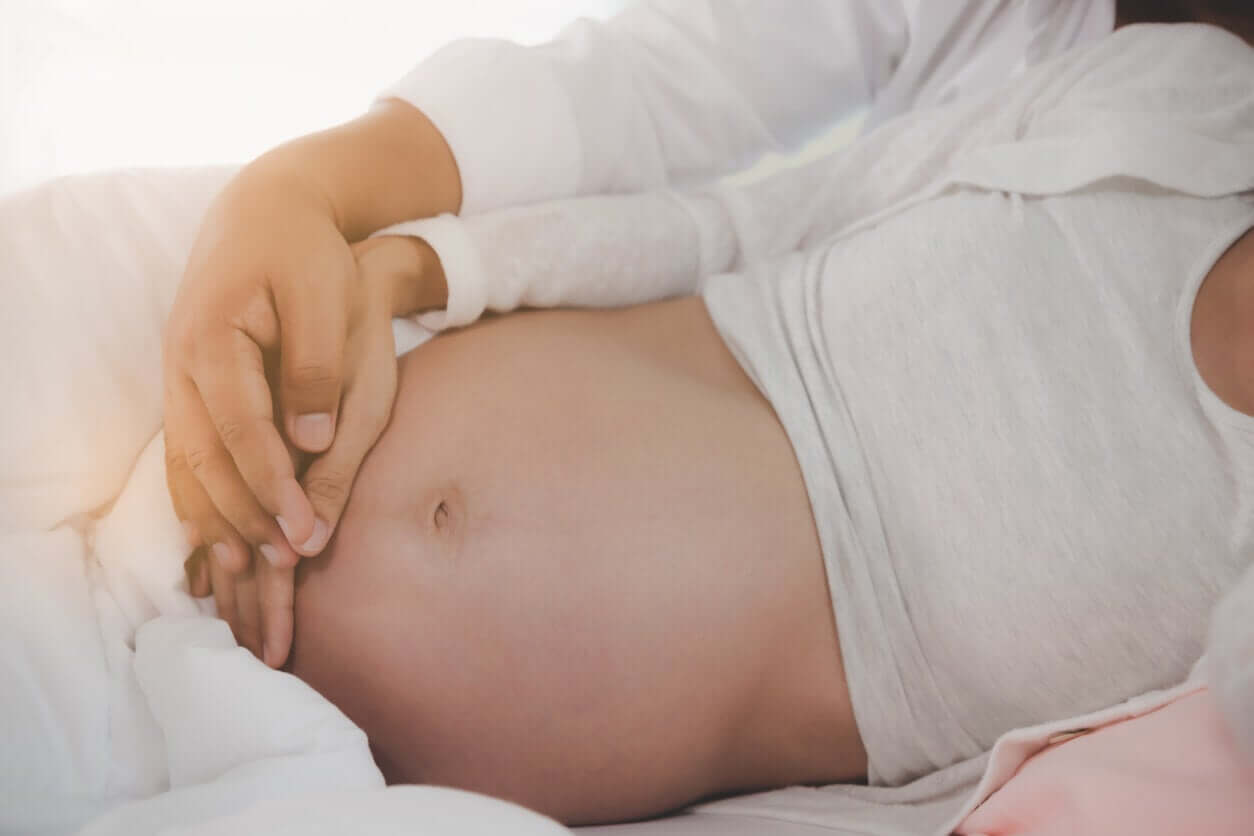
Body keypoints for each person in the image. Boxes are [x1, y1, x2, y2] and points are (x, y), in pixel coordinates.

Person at [262, 23, 1254, 828]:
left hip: (365, 802)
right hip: (266, 445)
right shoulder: (1177, 99)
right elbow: (736, 227)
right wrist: (437, 266)